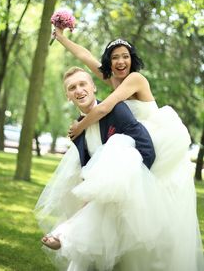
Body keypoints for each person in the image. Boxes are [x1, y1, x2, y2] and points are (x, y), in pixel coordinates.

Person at [49, 28, 204, 271]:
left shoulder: (135, 79)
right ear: (109, 62)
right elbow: (84, 56)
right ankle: (101, 249)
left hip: (153, 139)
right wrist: (60, 37)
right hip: (130, 138)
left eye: (125, 56)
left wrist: (79, 126)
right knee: (115, 195)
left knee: (148, 203)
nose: (121, 62)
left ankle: (73, 234)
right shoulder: (111, 78)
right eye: (115, 58)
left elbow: (103, 108)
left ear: (132, 59)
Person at [35, 67, 170, 271]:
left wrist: (127, 177)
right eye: (72, 88)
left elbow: (147, 150)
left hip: (134, 188)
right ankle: (69, 232)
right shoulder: (78, 131)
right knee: (93, 254)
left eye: (83, 84)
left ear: (93, 87)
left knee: (118, 143)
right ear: (68, 96)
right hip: (102, 198)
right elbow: (90, 178)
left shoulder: (117, 109)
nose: (79, 90)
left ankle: (65, 234)